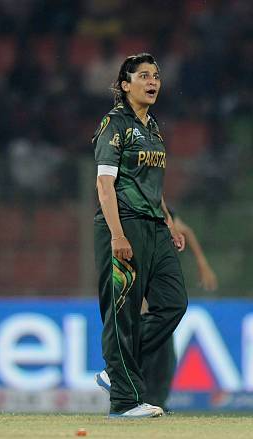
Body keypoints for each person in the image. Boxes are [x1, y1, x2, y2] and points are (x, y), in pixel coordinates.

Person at [93, 53, 188, 419]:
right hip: (124, 224)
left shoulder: (153, 127)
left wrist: (168, 220)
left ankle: (116, 370)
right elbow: (105, 184)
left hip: (153, 225)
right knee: (123, 313)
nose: (152, 81)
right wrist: (117, 234)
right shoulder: (113, 125)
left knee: (173, 303)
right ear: (124, 85)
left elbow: (152, 184)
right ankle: (124, 400)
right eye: (143, 76)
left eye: (157, 75)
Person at [96, 211, 218, 411]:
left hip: (154, 304)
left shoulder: (158, 211)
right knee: (157, 354)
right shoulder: (132, 215)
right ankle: (134, 390)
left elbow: (185, 231)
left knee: (164, 356)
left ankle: (153, 399)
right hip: (144, 302)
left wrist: (202, 263)